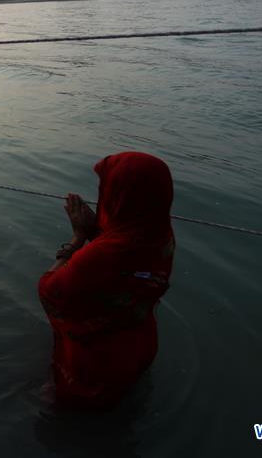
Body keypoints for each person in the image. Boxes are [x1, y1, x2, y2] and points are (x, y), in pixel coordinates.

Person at [38, 151, 175, 409]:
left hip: (96, 366)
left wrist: (77, 239)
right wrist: (95, 233)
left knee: (61, 416)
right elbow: (121, 265)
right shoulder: (160, 236)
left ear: (117, 194)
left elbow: (49, 291)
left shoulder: (99, 257)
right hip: (139, 347)